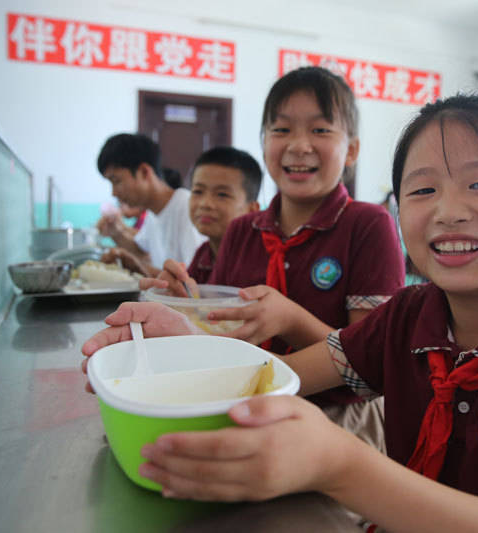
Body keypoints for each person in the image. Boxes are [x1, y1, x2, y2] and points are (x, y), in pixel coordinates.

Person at [81, 94, 478, 531]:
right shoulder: (409, 315)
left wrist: (340, 465)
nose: (449, 211)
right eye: (422, 191)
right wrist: (188, 342)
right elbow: (277, 377)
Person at [147, 66, 406, 450]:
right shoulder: (241, 229)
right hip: (239, 405)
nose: (299, 145)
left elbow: (375, 365)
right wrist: (186, 299)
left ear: (351, 149)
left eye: (320, 130)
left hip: (336, 424)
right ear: (264, 141)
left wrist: (290, 320)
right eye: (281, 130)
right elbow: (220, 327)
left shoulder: (368, 225)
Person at [95, 133, 205, 277]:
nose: (114, 193)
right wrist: (116, 233)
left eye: (116, 181)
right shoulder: (153, 212)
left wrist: (136, 267)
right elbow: (140, 250)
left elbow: (193, 280)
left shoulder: (185, 207)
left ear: (144, 172)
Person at [163, 146, 262, 285]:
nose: (205, 204)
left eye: (222, 194)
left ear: (252, 210)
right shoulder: (204, 254)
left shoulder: (257, 260)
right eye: (198, 191)